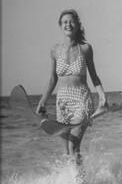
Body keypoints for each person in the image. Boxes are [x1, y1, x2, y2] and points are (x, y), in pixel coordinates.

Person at [36, 9, 108, 164]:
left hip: (81, 99)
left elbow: (94, 76)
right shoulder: (55, 50)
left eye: (71, 21)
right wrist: (42, 101)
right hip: (62, 102)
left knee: (73, 146)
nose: (68, 24)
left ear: (77, 24)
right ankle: (74, 183)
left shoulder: (85, 49)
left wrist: (102, 96)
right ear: (60, 26)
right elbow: (52, 79)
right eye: (64, 22)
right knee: (67, 152)